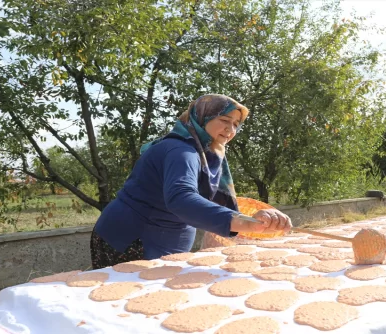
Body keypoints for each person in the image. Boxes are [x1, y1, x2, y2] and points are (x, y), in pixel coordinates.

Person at [90, 94, 292, 269]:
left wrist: (254, 218)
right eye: (224, 119)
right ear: (203, 117)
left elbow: (209, 204)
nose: (231, 129)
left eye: (236, 124)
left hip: (163, 242)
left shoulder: (206, 153)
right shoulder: (181, 151)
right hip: (132, 240)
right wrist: (244, 223)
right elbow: (181, 199)